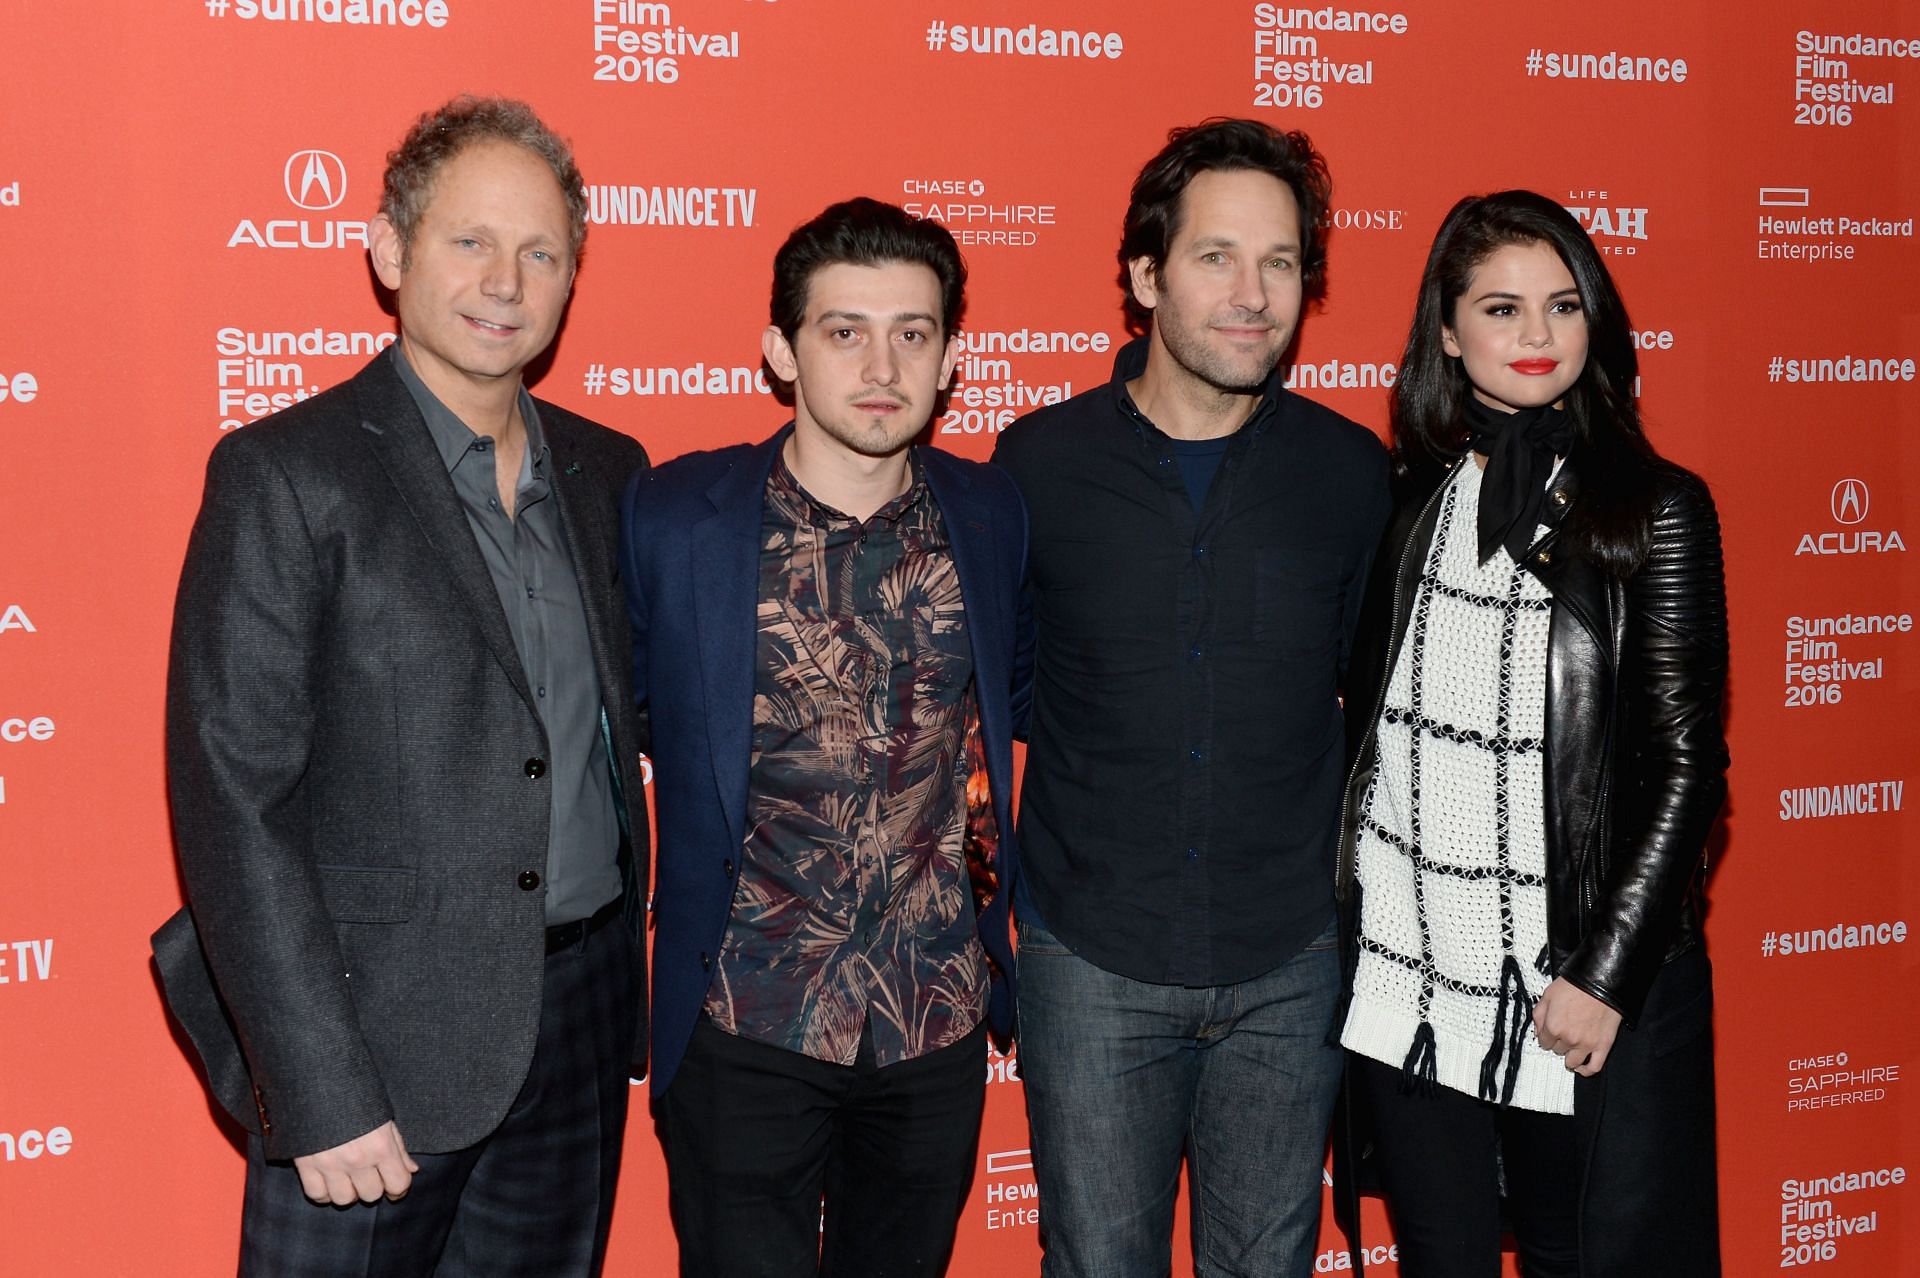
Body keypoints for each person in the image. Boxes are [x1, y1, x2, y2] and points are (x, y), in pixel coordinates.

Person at [151, 96, 650, 1277]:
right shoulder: (286, 475)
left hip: (576, 1016)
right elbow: (235, 801)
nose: (506, 282)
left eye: (541, 252)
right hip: (372, 1040)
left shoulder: (608, 471)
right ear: (389, 250)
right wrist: (314, 1087)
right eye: (469, 242)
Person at [990, 119, 1391, 1276]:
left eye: (1281, 263)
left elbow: (1371, 705)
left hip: (1291, 960)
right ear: (1145, 275)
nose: (1255, 293)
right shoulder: (1040, 466)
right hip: (1093, 957)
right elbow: (1010, 686)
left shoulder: (1349, 473)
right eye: (1218, 257)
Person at [619, 197, 1026, 1276]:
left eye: (914, 332)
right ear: (780, 351)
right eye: (844, 330)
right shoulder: (673, 517)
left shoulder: (993, 517)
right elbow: (631, 719)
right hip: (745, 1011)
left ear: (950, 359)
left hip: (932, 1023)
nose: (881, 362)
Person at [1336, 190, 1726, 1276]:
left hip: (1568, 988)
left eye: (1563, 307)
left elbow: (1690, 766)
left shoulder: (1656, 509)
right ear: (1449, 334)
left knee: (1577, 1256)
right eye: (1501, 310)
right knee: (1443, 1258)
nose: (1537, 337)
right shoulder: (1409, 503)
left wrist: (1604, 975)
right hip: (1414, 975)